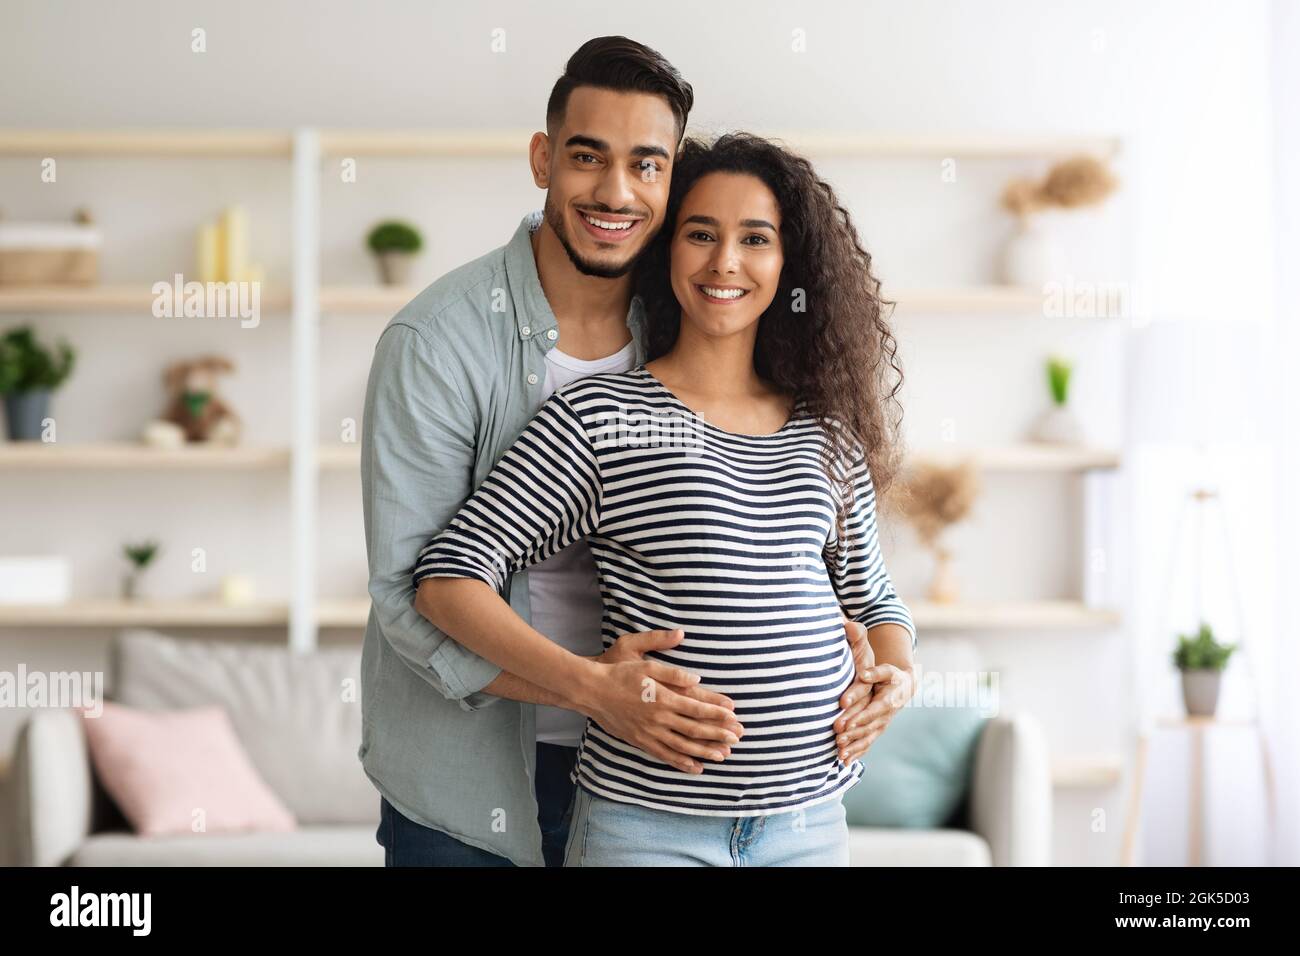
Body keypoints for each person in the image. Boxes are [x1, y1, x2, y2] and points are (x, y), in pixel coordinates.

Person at [360, 36, 875, 868]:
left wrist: (874, 654)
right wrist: (594, 689)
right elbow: (409, 593)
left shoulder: (688, 312)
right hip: (474, 773)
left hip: (655, 772)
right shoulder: (438, 341)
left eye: (646, 164)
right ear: (542, 160)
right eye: (587, 157)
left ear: (670, 181)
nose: (615, 191)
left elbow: (816, 558)